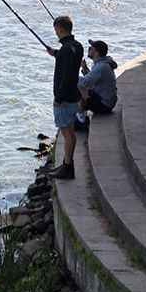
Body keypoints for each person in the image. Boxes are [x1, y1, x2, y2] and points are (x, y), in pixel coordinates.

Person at [38, 15, 84, 180]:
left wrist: (59, 97)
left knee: (67, 134)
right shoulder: (77, 46)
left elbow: (64, 75)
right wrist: (55, 53)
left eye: (55, 29)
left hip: (64, 99)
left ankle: (67, 167)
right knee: (70, 133)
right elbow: (69, 61)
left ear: (60, 29)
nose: (55, 32)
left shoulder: (66, 50)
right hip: (74, 96)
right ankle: (67, 164)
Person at [74, 40, 118, 130]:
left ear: (96, 52)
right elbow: (92, 81)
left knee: (75, 85)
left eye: (91, 48)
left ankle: (81, 120)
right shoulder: (102, 64)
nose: (89, 50)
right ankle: (80, 115)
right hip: (107, 102)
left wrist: (71, 76)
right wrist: (85, 68)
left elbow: (84, 83)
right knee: (79, 85)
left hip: (104, 105)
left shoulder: (101, 67)